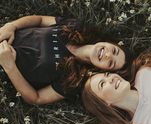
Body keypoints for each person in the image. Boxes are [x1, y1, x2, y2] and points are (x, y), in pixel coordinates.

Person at [0, 15, 130, 105]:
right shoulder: (78, 27)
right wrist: (11, 26)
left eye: (111, 63)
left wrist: (9, 66)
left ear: (104, 70)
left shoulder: (75, 80)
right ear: (109, 43)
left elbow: (36, 98)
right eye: (114, 51)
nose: (108, 55)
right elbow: (39, 20)